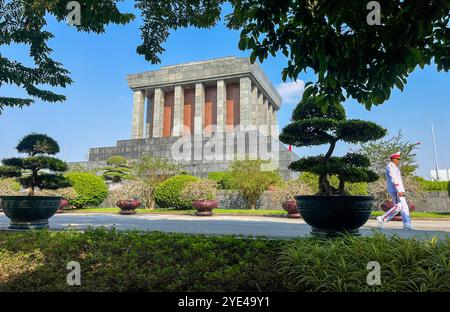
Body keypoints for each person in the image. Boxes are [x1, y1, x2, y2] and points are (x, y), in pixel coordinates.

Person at [376, 152, 413, 230]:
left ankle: (407, 224)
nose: (398, 161)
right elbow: (394, 179)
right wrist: (399, 190)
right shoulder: (390, 166)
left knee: (404, 207)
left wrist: (401, 190)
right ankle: (382, 218)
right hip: (395, 190)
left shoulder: (395, 167)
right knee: (399, 206)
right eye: (397, 159)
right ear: (393, 159)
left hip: (399, 190)